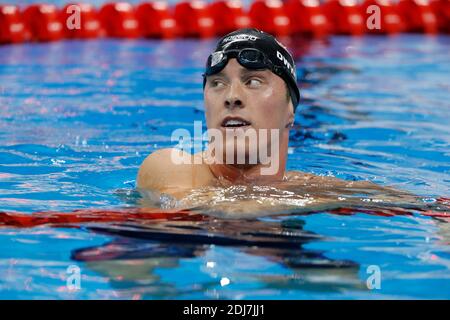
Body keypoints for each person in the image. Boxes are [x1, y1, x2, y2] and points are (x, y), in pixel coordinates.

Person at [136, 28, 432, 216]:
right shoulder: (171, 166)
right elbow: (223, 213)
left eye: (253, 81)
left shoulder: (305, 185)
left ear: (291, 110)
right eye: (217, 84)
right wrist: (329, 200)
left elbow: (431, 206)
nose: (231, 97)